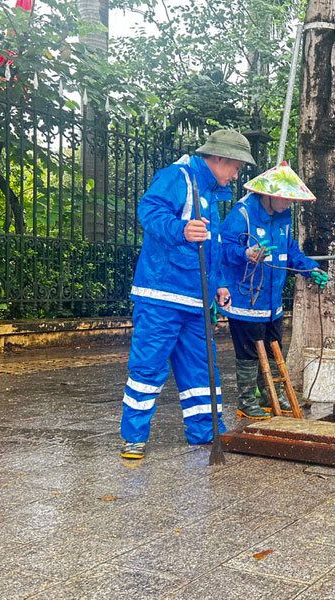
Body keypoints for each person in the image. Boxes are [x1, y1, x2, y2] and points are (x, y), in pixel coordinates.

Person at [119, 129, 254, 460]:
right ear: (219, 158)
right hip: (161, 295)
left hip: (196, 300)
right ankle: (133, 437)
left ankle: (206, 431)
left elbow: (213, 247)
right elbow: (149, 210)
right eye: (235, 166)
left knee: (200, 369)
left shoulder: (211, 193)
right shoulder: (177, 176)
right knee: (148, 367)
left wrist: (220, 283)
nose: (236, 174)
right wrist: (180, 229)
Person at [219, 162, 328, 420]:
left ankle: (269, 395)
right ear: (269, 193)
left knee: (271, 348)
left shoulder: (283, 219)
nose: (289, 203)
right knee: (248, 353)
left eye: (292, 199)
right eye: (285, 198)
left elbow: (290, 251)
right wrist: (246, 253)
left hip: (272, 302)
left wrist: (309, 268)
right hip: (246, 298)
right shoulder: (242, 214)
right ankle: (246, 401)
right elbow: (222, 250)